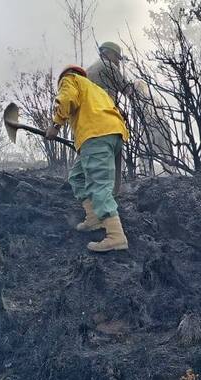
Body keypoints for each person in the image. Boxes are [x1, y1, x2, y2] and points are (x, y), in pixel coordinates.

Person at [48, 65, 129, 252]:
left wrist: (55, 125)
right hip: (111, 135)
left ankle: (116, 236)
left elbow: (67, 99)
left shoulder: (70, 79)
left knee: (98, 185)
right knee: (77, 177)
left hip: (96, 136)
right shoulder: (96, 90)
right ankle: (94, 219)